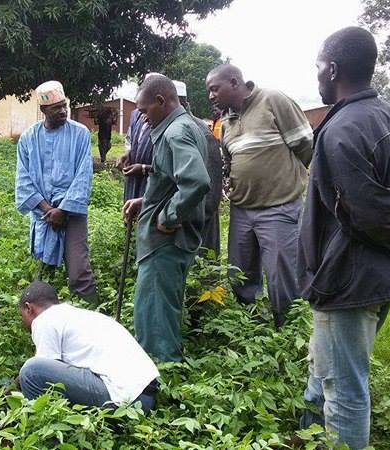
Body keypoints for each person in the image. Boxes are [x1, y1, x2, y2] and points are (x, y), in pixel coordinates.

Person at [297, 27, 390, 449]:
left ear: (334, 69)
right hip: (368, 276)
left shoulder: (341, 131)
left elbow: (369, 214)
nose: (317, 75)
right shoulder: (387, 115)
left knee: (344, 393)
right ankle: (307, 438)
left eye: (319, 67)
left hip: (349, 279)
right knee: (322, 372)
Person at [206, 64, 313, 328]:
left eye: (214, 88)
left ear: (234, 82)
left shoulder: (273, 100)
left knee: (282, 278)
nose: (210, 95)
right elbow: (229, 162)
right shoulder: (228, 122)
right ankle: (252, 329)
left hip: (278, 208)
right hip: (242, 210)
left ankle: (287, 333)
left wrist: (291, 182)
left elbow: (306, 146)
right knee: (240, 274)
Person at [123, 74, 210, 362]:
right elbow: (170, 178)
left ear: (161, 101)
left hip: (165, 242)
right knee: (160, 310)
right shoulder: (184, 126)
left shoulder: (175, 132)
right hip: (167, 241)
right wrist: (144, 201)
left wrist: (168, 217)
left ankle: (161, 378)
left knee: (154, 317)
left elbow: (196, 182)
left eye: (145, 110)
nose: (143, 119)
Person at [17, 281, 159, 413]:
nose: (23, 322)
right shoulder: (75, 316)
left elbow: (40, 374)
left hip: (126, 398)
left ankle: (44, 432)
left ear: (29, 308)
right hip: (145, 396)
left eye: (21, 316)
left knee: (31, 371)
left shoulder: (45, 319)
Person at [15, 81, 99, 304]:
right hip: (44, 215)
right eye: (56, 108)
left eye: (64, 105)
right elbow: (23, 180)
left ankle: (92, 315)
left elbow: (84, 176)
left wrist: (63, 210)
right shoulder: (28, 139)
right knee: (44, 271)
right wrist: (48, 210)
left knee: (80, 271)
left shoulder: (80, 134)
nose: (63, 111)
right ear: (43, 110)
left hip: (72, 213)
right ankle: (44, 321)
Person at [174, 80, 223, 256]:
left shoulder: (199, 131)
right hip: (183, 222)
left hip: (198, 226)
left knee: (202, 275)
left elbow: (210, 194)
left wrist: (189, 219)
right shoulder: (176, 128)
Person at [117, 73, 160, 201]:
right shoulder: (135, 114)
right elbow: (131, 138)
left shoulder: (164, 118)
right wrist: (127, 154)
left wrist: (143, 168)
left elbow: (169, 167)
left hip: (153, 180)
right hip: (133, 178)